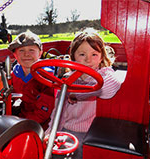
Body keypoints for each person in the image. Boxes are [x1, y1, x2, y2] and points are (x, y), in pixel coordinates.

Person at [45, 28, 121, 159]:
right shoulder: (67, 78)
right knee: (51, 149)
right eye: (82, 54)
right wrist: (51, 131)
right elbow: (58, 109)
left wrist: (78, 94)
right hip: (65, 127)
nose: (88, 60)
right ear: (73, 56)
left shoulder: (104, 74)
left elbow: (109, 88)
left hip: (89, 131)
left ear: (101, 57)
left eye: (94, 54)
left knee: (79, 152)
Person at [8, 30, 55, 130]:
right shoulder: (15, 74)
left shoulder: (46, 77)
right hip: (22, 117)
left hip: (44, 124)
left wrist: (22, 124)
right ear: (15, 55)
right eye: (21, 51)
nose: (26, 54)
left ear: (40, 53)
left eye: (31, 50)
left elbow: (44, 111)